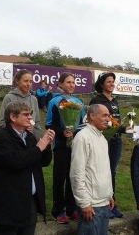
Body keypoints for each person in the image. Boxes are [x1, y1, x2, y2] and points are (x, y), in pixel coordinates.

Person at [0, 101, 55, 235]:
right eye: (25, 114)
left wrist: (47, 145)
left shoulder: (30, 137)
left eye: (30, 114)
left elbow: (44, 162)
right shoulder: (0, 138)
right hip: (9, 203)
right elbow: (15, 161)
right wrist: (39, 148)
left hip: (29, 202)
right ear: (13, 117)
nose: (30, 117)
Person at [89, 72, 131, 218]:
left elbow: (115, 122)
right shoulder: (96, 100)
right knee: (101, 171)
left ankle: (112, 204)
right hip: (103, 140)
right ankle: (101, 203)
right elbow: (96, 120)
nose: (112, 84)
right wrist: (120, 128)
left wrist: (125, 129)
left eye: (113, 81)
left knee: (112, 172)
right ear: (102, 84)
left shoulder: (114, 101)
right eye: (109, 81)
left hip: (116, 141)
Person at [45, 72, 85, 224]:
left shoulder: (78, 103)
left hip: (75, 144)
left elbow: (82, 123)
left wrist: (77, 133)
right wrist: (63, 132)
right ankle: (58, 210)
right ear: (60, 84)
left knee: (73, 176)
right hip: (61, 145)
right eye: (68, 82)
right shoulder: (54, 102)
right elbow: (49, 123)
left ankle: (71, 208)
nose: (71, 85)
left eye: (73, 82)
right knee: (60, 177)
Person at [70, 104, 115, 235]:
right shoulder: (82, 137)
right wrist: (84, 203)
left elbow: (105, 170)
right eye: (104, 115)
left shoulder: (102, 138)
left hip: (104, 203)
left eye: (108, 115)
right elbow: (76, 173)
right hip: (91, 205)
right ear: (92, 116)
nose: (108, 119)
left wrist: (109, 194)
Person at [0, 69, 44, 138]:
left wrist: (33, 129)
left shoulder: (34, 99)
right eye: (25, 81)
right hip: (13, 140)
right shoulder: (9, 97)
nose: (28, 84)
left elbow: (35, 122)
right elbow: (1, 122)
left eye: (30, 82)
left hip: (29, 140)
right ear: (17, 81)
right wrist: (18, 130)